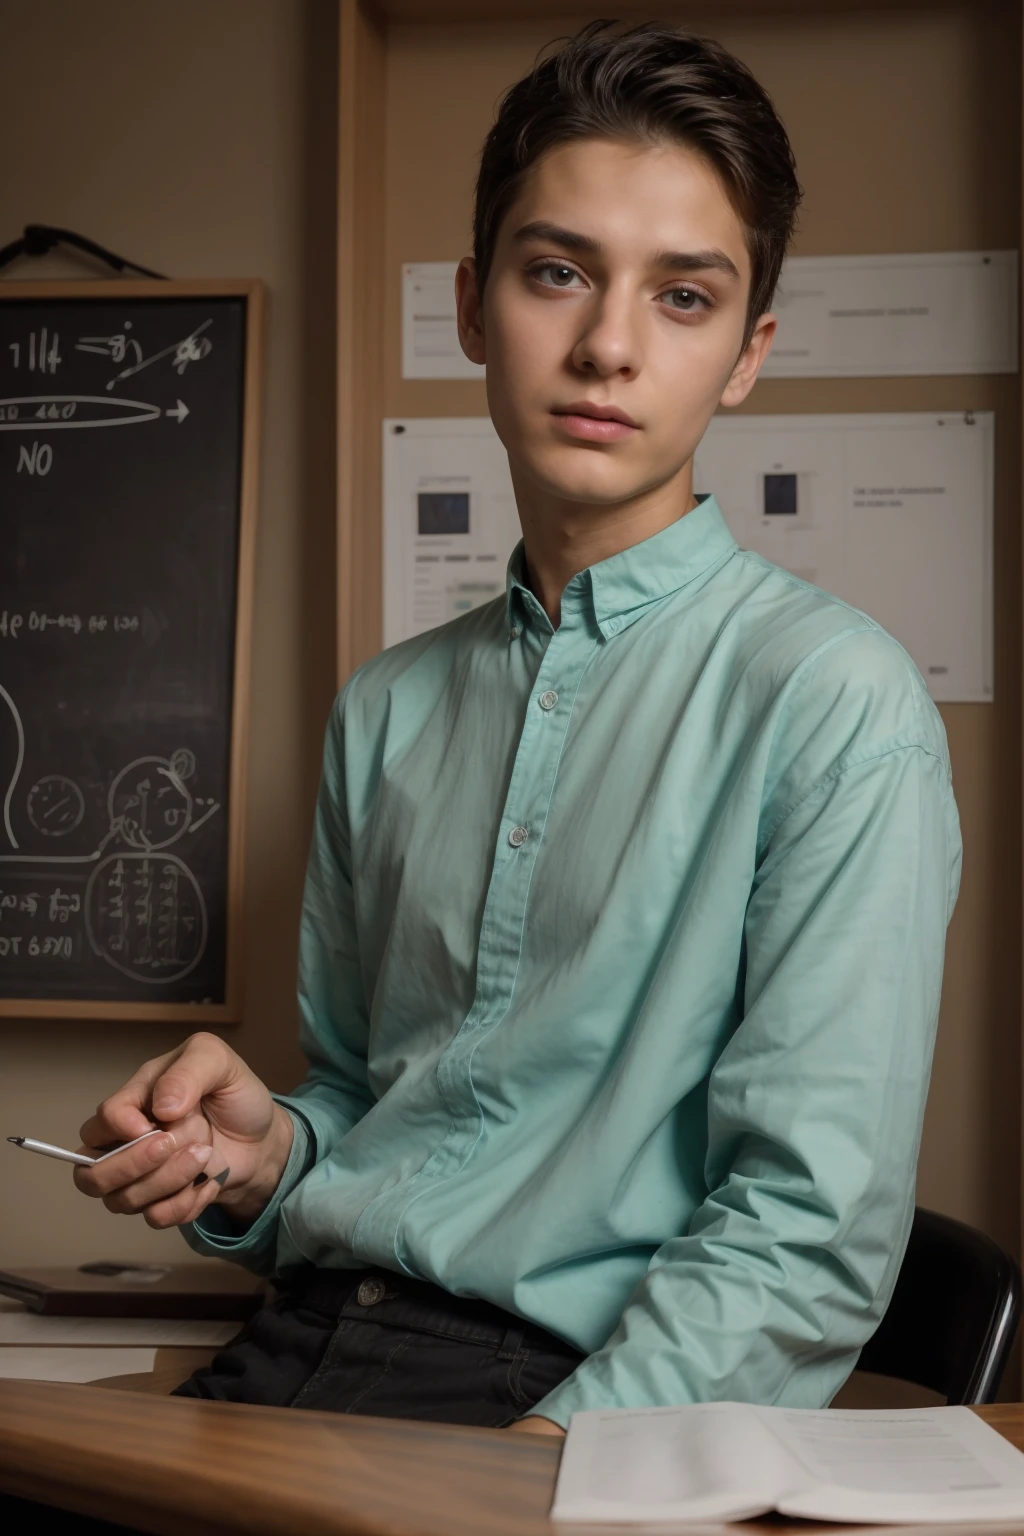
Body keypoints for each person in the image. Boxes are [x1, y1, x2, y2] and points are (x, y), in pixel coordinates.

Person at [73, 19, 961, 1436]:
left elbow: (810, 1225)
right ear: (475, 306)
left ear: (747, 355)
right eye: (559, 273)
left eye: (684, 296)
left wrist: (550, 1471)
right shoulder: (385, 707)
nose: (609, 345)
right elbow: (372, 1103)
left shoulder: (833, 702)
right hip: (300, 1344)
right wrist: (266, 1159)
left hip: (560, 1395)